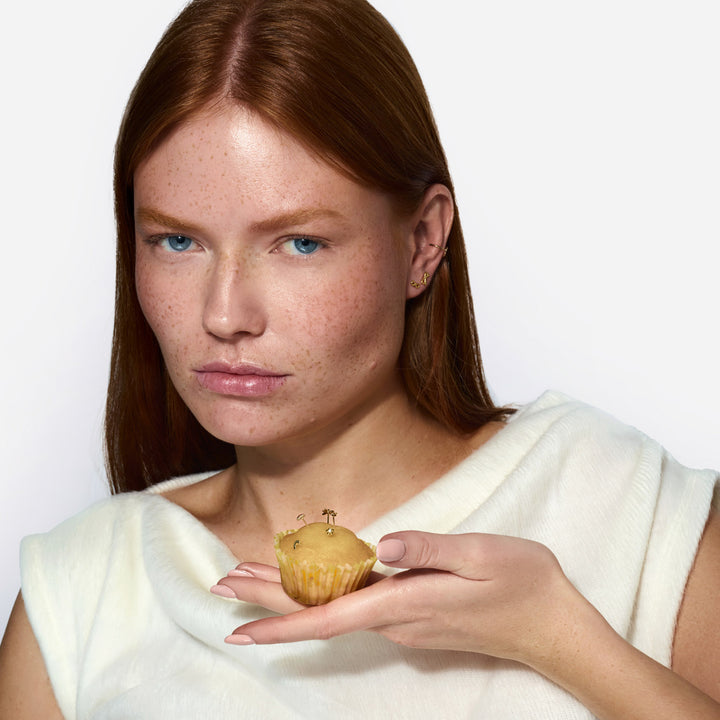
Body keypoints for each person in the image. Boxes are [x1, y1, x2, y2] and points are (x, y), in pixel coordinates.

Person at [1, 0, 718, 717]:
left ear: (423, 242)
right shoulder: (80, 592)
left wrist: (558, 638)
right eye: (177, 242)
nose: (224, 315)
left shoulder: (637, 509)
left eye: (300, 243)